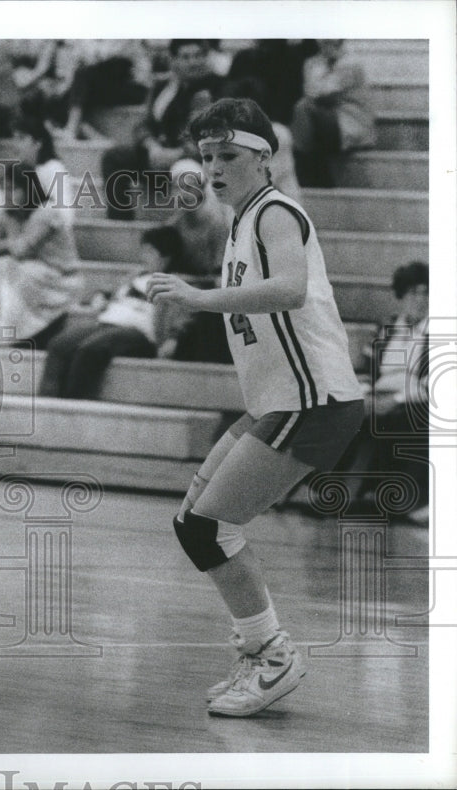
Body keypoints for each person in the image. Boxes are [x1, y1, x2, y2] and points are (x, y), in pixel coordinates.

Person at [147, 98, 365, 717]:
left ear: (264, 157)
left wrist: (199, 297)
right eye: (207, 156)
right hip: (276, 401)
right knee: (193, 522)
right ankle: (259, 649)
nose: (215, 168)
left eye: (229, 156)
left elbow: (291, 288)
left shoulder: (274, 212)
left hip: (313, 399)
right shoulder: (241, 218)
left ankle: (272, 655)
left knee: (212, 526)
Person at [38, 225, 185, 399]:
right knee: (59, 344)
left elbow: (182, 316)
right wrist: (101, 297)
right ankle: (47, 403)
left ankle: (76, 408)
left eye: (150, 252)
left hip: (139, 334)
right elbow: (109, 292)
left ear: (166, 257)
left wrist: (173, 337)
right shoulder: (136, 275)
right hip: (107, 324)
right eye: (143, 251)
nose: (144, 257)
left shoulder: (175, 282)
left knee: (90, 349)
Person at [341, 261, 430, 523]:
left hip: (414, 402)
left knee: (396, 420)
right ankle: (340, 492)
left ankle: (395, 497)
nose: (421, 299)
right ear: (401, 296)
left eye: (427, 293)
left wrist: (396, 400)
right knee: (344, 414)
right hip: (378, 398)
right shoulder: (386, 328)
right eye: (414, 292)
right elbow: (367, 372)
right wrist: (366, 396)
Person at [102, 39, 224, 219]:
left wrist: (175, 155)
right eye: (186, 57)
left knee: (186, 171)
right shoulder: (163, 87)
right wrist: (151, 146)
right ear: (173, 61)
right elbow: (142, 125)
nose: (193, 62)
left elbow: (205, 137)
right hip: (158, 156)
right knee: (115, 157)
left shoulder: (217, 88)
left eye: (198, 56)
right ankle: (120, 220)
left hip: (192, 160)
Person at [0, 162, 84, 348]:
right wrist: (6, 229)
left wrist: (8, 236)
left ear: (28, 189)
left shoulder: (47, 212)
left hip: (60, 277)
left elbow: (22, 250)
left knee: (13, 268)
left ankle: (9, 333)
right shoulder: (8, 212)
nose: (7, 195)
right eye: (4, 190)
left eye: (12, 190)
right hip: (32, 270)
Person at [291, 39, 376, 188]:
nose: (325, 44)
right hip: (323, 123)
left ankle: (308, 171)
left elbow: (321, 92)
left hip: (350, 122)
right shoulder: (312, 63)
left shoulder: (352, 63)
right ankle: (314, 172)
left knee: (303, 108)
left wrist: (314, 84)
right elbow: (311, 92)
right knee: (302, 111)